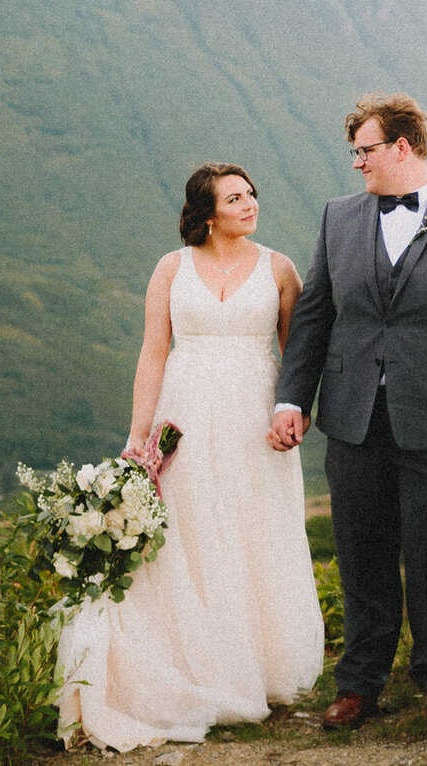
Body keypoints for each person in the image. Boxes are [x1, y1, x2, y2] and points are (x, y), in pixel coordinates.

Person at [269, 94, 427, 727]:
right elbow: (317, 315)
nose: (356, 163)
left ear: (402, 148)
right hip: (353, 415)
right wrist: (294, 397)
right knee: (360, 551)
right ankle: (359, 684)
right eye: (354, 151)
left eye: (365, 150)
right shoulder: (338, 218)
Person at [56, 163, 326, 749]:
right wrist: (137, 436)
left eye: (252, 194)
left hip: (256, 420)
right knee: (190, 532)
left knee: (253, 531)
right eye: (235, 198)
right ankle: (194, 664)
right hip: (186, 419)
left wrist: (295, 411)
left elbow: (298, 353)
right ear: (208, 214)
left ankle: (255, 667)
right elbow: (154, 352)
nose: (250, 204)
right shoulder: (170, 269)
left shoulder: (280, 269)